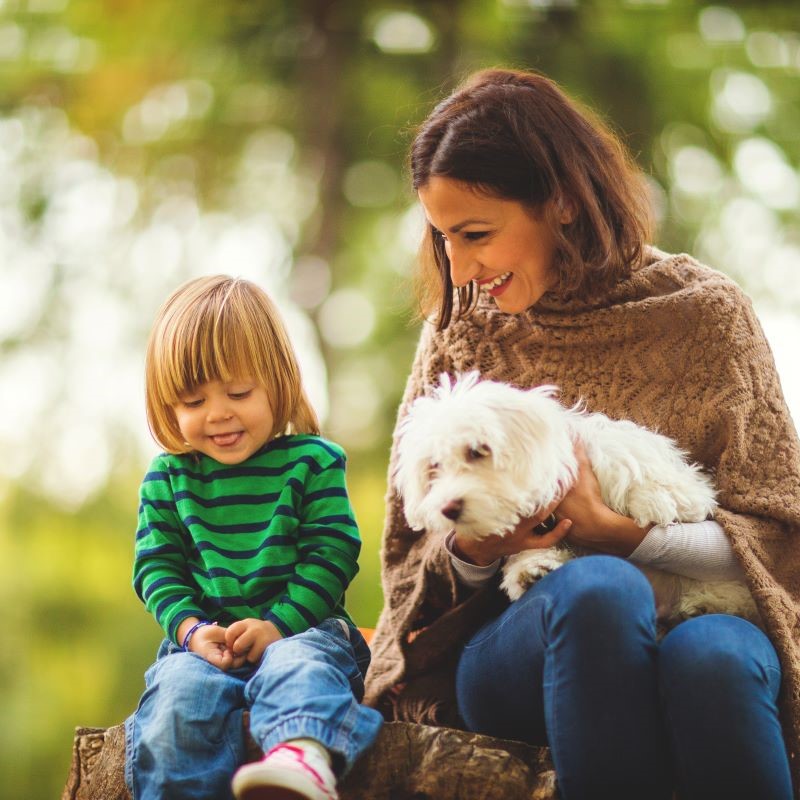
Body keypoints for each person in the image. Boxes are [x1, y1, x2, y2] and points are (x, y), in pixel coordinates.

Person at [363, 68, 800, 800]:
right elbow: (415, 563)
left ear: (561, 202)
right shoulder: (460, 332)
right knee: (598, 590)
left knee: (717, 655)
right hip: (523, 647)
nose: (461, 268)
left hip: (700, 615)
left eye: (476, 235)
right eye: (444, 241)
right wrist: (482, 548)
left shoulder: (706, 315)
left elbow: (777, 537)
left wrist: (618, 530)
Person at [125, 275, 382, 800]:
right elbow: (157, 569)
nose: (218, 413)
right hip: (204, 647)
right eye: (193, 401)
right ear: (167, 405)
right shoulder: (169, 478)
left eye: (238, 392)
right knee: (177, 698)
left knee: (300, 668)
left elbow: (333, 551)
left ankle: (299, 763)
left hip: (303, 629)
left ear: (277, 381)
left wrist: (277, 625)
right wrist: (193, 631)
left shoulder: (312, 461)